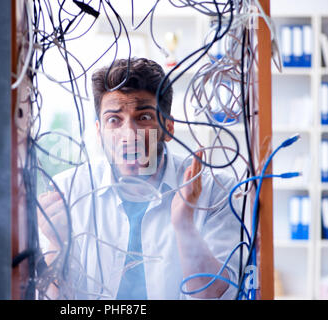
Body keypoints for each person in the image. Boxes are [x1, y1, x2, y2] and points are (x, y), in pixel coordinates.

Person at [37, 57, 241, 300]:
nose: (129, 134)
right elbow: (55, 300)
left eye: (143, 118)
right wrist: (59, 245)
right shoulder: (69, 191)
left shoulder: (214, 190)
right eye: (114, 120)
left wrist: (185, 224)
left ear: (168, 127)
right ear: (99, 131)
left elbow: (215, 295)